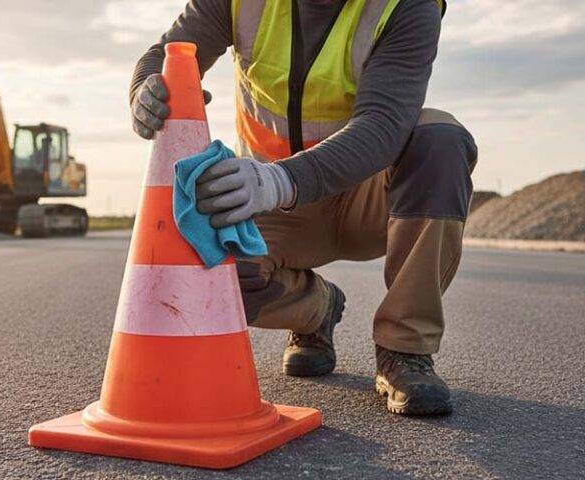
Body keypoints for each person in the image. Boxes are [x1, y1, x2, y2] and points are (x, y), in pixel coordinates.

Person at [129, 0, 477, 416]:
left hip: (368, 201)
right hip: (275, 211)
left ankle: (405, 350)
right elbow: (167, 53)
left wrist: (279, 181)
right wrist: (146, 88)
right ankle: (317, 309)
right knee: (211, 274)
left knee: (440, 139)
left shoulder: (405, 6)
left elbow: (384, 123)